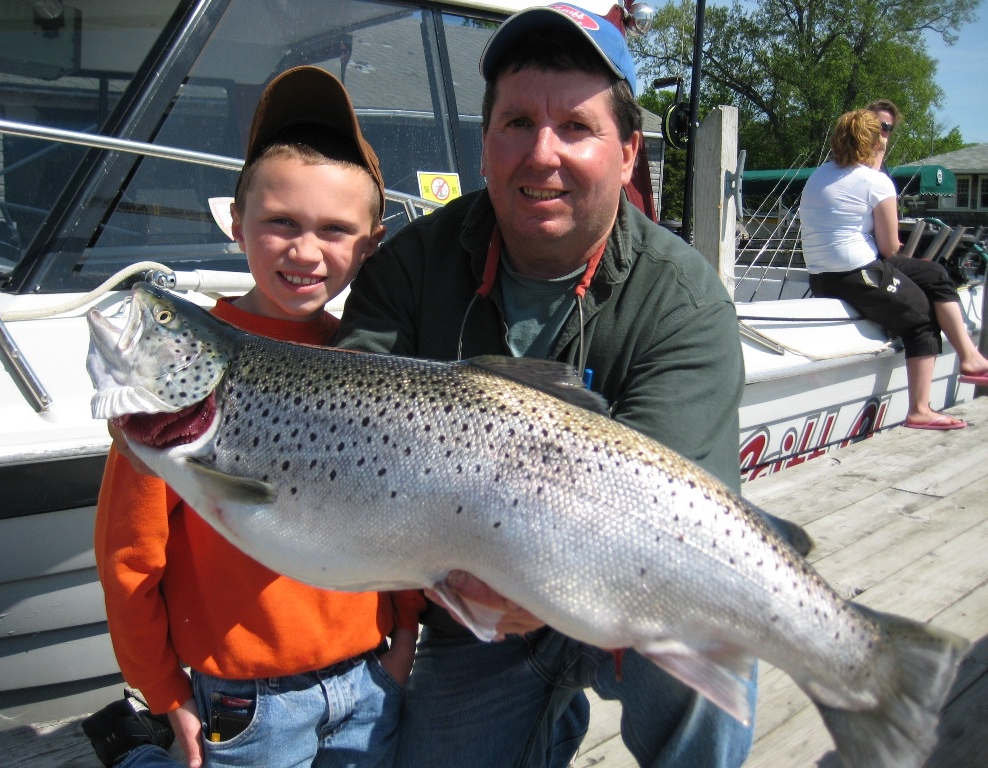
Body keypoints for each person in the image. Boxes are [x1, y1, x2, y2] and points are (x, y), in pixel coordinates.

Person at [334, 5, 756, 767]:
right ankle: (543, 718)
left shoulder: (685, 302)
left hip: (639, 593)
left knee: (711, 662)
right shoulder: (406, 271)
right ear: (485, 142)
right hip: (474, 611)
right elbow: (351, 457)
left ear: (629, 153)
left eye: (577, 128)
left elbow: (670, 524)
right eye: (518, 122)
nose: (542, 154)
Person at [84, 66, 424, 768]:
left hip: (368, 679)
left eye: (335, 229)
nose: (305, 251)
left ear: (372, 242)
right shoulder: (171, 381)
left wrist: (404, 641)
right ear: (235, 222)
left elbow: (406, 518)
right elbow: (129, 562)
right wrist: (162, 691)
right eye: (280, 224)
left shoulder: (375, 363)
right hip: (245, 704)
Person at [800, 109, 988, 430]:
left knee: (936, 276)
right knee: (922, 319)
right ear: (873, 142)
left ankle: (970, 358)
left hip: (823, 278)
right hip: (857, 275)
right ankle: (920, 410)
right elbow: (890, 248)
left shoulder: (819, 175)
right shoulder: (876, 182)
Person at [864, 98, 901, 174]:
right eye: (875, 124)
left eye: (885, 127)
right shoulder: (845, 157)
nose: (878, 130)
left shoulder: (884, 171)